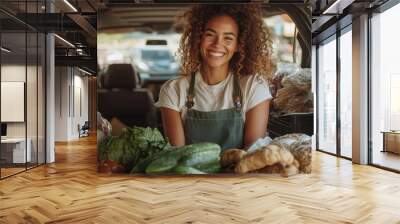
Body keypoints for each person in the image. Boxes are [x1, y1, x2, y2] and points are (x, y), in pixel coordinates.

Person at [155, 4, 274, 151]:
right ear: (198, 39)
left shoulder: (254, 86)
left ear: (238, 45)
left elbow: (253, 150)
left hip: (240, 172)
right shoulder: (173, 90)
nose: (218, 44)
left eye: (228, 38)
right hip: (191, 174)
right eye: (210, 35)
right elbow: (177, 154)